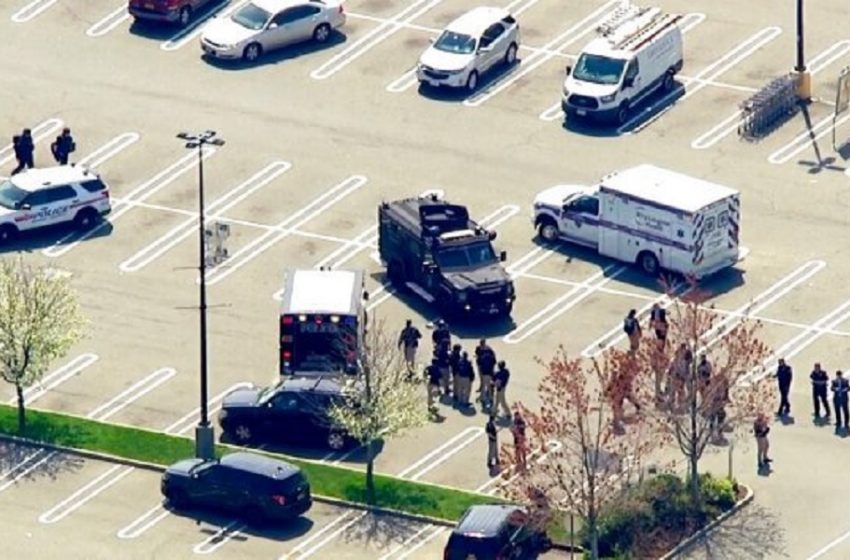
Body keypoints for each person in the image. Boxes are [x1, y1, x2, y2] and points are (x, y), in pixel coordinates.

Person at [475, 339, 496, 409]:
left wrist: (491, 368)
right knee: (482, 380)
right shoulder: (478, 348)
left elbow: (493, 360)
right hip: (482, 367)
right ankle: (481, 389)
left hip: (486, 370)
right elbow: (477, 355)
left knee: (487, 383)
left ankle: (487, 396)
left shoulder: (489, 350)